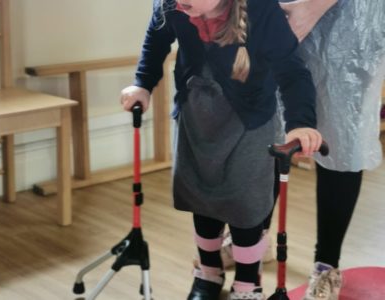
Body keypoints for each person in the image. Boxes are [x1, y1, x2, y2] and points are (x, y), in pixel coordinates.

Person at [120, 0, 323, 299]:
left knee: (246, 207)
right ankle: (208, 273)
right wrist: (143, 83)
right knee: (201, 199)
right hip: (198, 115)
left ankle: (246, 283)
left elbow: (291, 69)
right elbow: (156, 39)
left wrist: (301, 123)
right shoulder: (172, 5)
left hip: (250, 121)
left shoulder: (259, 9)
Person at [217, 1, 385, 299]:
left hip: (353, 18)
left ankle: (326, 266)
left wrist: (313, 6)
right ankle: (254, 243)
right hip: (278, 12)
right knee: (267, 133)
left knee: (340, 141)